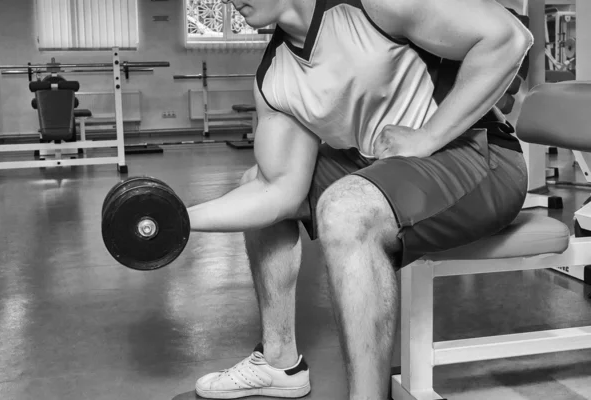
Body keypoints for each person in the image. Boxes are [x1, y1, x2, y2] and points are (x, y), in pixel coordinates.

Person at [188, 0, 533, 398]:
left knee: (345, 209)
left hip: (478, 157)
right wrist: (178, 218)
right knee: (258, 177)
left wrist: (428, 136)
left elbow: (508, 37)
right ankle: (280, 363)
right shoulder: (274, 77)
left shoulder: (371, 6)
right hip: (389, 165)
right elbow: (276, 192)